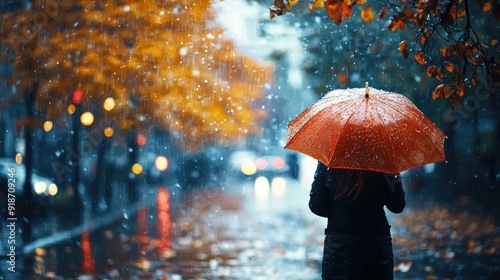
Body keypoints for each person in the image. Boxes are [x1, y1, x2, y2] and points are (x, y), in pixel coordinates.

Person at [309, 161, 406, 280]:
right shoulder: (382, 161)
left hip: (340, 249)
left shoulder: (330, 164)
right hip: (375, 248)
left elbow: (317, 206)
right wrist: (393, 171)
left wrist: (336, 212)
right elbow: (397, 205)